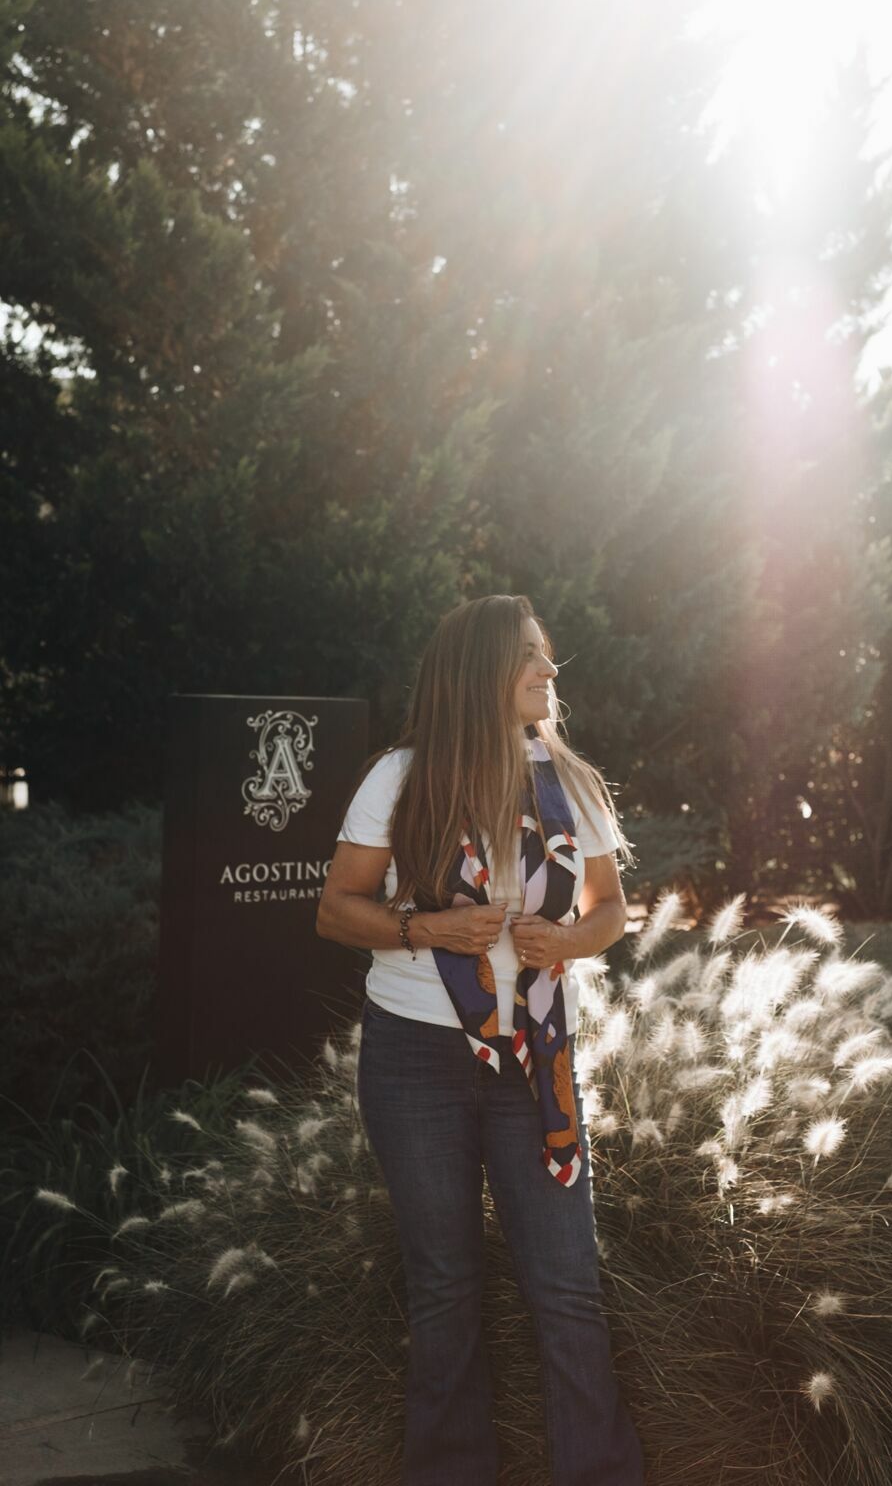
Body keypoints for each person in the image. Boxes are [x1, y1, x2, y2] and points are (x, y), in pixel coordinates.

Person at [317, 593, 644, 1486]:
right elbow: (336, 909)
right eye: (529, 655)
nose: (548, 669)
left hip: (536, 1060)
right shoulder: (400, 778)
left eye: (546, 653)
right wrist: (426, 930)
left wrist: (568, 941)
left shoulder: (570, 781)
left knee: (567, 1286)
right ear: (478, 672)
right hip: (415, 1061)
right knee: (445, 1288)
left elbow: (610, 909)